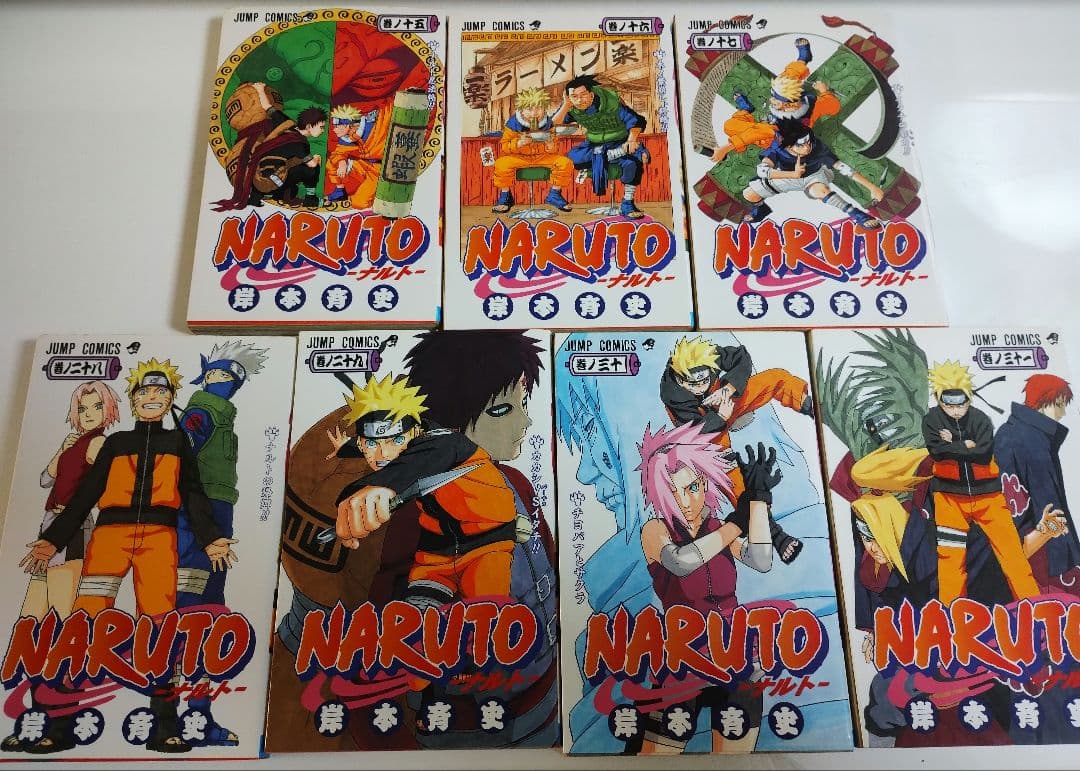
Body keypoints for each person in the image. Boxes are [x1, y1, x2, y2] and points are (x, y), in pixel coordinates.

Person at [19, 359, 238, 754]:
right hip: (109, 536)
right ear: (133, 400)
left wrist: (210, 539)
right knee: (85, 623)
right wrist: (52, 540)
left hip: (159, 538)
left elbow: (192, 494)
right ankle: (60, 726)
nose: (152, 397)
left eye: (160, 392)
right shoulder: (116, 443)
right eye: (144, 392)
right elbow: (86, 495)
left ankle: (164, 727)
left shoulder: (179, 443)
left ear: (170, 399)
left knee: (160, 628)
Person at [636, 426, 781, 753]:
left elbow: (761, 560)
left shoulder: (719, 528)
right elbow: (681, 562)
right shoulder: (656, 531)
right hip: (682, 661)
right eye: (673, 491)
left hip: (736, 657)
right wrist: (736, 524)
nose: (685, 501)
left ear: (705, 483)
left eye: (692, 487)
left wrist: (758, 501)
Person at [1, 381, 121, 754]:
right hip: (48, 526)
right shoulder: (75, 443)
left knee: (65, 627)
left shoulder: (100, 444)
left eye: (96, 408)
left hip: (74, 529)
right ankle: (36, 719)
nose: (88, 415)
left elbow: (103, 489)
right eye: (82, 409)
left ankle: (61, 725)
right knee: (33, 625)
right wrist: (62, 449)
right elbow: (44, 479)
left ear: (108, 411)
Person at [175, 341, 268, 746]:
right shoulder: (204, 410)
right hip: (198, 511)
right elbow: (185, 449)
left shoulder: (221, 415)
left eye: (229, 377)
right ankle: (179, 715)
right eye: (216, 374)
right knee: (191, 604)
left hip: (216, 510)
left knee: (209, 606)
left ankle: (197, 715)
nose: (222, 382)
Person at [660, 335, 811, 562]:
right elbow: (695, 431)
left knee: (776, 377)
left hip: (726, 401)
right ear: (681, 380)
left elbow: (742, 357)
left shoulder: (709, 355)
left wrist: (729, 388)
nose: (700, 387)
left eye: (704, 379)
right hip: (706, 428)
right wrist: (720, 417)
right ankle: (775, 534)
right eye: (692, 383)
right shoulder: (673, 394)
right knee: (729, 475)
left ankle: (813, 406)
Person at [922, 361, 1040, 605]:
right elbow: (937, 452)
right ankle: (952, 616)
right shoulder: (931, 420)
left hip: (989, 498)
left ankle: (1034, 607)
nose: (956, 410)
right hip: (949, 501)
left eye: (961, 402)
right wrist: (966, 445)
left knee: (1013, 555)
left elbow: (984, 454)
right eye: (948, 403)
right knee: (951, 561)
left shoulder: (980, 419)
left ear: (969, 397)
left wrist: (952, 443)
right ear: (938, 397)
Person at [994, 373, 1080, 594]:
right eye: (1060, 405)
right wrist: (1065, 561)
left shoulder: (1010, 431)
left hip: (1017, 545)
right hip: (1040, 556)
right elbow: (1050, 504)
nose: (1063, 413)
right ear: (1047, 402)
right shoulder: (1033, 439)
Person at [740, 118, 883, 226]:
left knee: (820, 191)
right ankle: (762, 209)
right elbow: (763, 170)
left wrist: (872, 187)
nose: (807, 148)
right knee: (749, 194)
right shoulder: (778, 148)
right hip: (788, 177)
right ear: (788, 145)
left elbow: (841, 167)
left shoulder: (816, 147)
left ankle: (857, 214)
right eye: (801, 145)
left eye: (808, 143)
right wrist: (792, 174)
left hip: (814, 176)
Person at [213, 81, 326, 210]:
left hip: (258, 180)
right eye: (321, 127)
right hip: (270, 181)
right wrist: (317, 159)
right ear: (309, 126)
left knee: (289, 165)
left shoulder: (286, 123)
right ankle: (310, 199)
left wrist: (260, 89)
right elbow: (311, 165)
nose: (322, 131)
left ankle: (264, 194)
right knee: (312, 168)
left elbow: (268, 107)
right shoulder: (299, 143)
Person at [551, 74, 649, 219]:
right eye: (574, 96)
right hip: (594, 145)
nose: (579, 100)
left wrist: (632, 140)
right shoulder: (573, 108)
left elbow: (637, 120)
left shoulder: (611, 103)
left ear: (591, 94)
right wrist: (566, 105)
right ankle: (619, 153)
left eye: (583, 95)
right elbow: (553, 124)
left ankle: (627, 203)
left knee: (633, 163)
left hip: (619, 140)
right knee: (572, 157)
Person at [491, 87, 574, 214]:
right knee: (501, 164)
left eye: (539, 108)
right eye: (529, 109)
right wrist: (518, 143)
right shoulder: (513, 124)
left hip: (542, 157)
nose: (534, 113)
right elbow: (505, 146)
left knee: (565, 162)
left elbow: (555, 148)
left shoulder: (548, 123)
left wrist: (550, 145)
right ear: (521, 110)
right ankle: (505, 197)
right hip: (519, 157)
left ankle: (555, 194)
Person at [324, 103, 391, 209]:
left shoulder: (373, 126)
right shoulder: (346, 137)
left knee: (359, 203)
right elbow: (338, 153)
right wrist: (342, 162)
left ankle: (381, 195)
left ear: (347, 126)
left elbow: (388, 111)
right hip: (365, 166)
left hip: (381, 171)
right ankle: (340, 191)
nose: (334, 129)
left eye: (337, 126)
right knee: (333, 162)